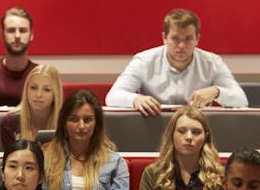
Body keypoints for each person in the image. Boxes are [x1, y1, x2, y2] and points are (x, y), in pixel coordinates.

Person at [104, 8, 247, 116]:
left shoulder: (213, 63)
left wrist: (216, 91)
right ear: (164, 38)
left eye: (188, 39)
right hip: (153, 126)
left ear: (197, 39)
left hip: (196, 132)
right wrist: (135, 100)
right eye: (175, 39)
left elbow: (241, 100)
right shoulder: (144, 61)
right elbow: (112, 97)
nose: (181, 46)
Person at [42, 89, 129, 190]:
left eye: (87, 120)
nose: (81, 126)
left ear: (96, 124)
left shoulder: (116, 163)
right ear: (64, 123)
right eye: (74, 119)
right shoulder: (46, 159)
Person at [137, 106, 226, 190]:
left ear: (205, 136)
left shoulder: (220, 174)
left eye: (196, 132)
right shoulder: (153, 172)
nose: (189, 137)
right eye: (182, 131)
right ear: (172, 134)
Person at [0, 64, 62, 152]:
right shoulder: (10, 122)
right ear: (26, 90)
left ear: (55, 95)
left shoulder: (65, 123)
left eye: (46, 89)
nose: (39, 94)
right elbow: (10, 162)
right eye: (33, 88)